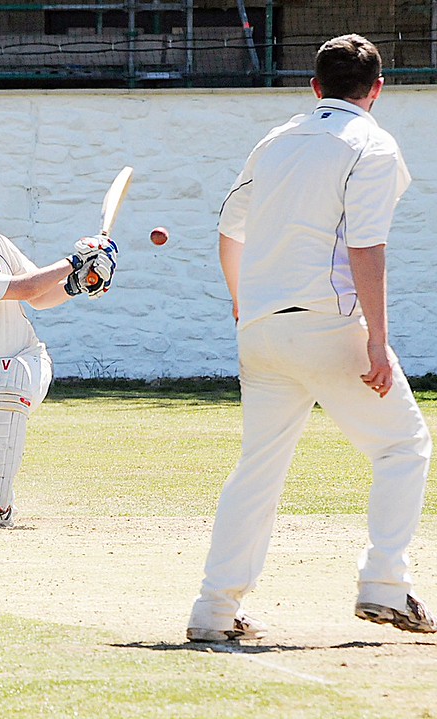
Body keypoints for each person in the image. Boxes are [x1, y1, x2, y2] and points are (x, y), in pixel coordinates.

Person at [187, 34, 436, 641]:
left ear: (314, 86)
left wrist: (246, 308)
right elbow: (366, 244)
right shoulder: (372, 144)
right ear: (376, 90)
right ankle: (383, 585)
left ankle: (214, 611)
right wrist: (378, 339)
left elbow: (230, 228)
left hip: (263, 330)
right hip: (328, 325)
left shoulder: (275, 140)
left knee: (258, 470)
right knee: (403, 447)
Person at [0, 193, 117, 528]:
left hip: (25, 360)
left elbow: (40, 298)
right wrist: (75, 261)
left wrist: (79, 284)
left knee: (7, 376)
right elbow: (26, 289)